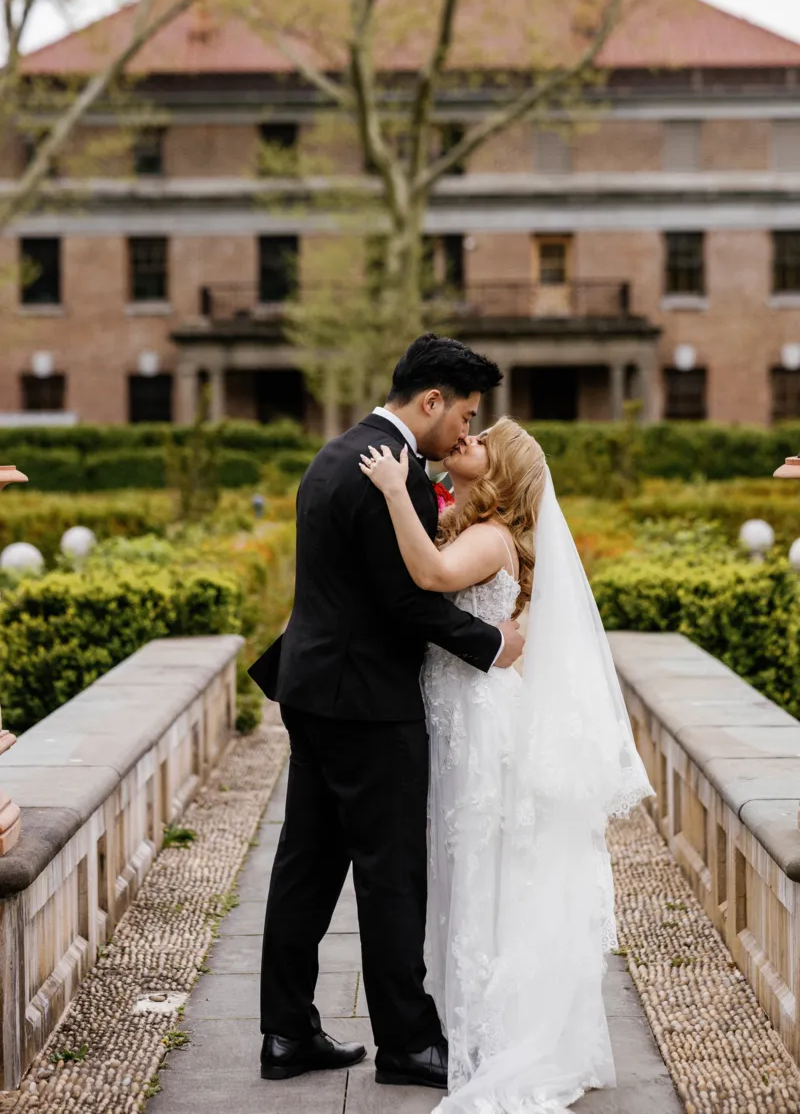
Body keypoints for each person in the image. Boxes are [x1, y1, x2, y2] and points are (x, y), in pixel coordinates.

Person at [248, 335, 526, 1089]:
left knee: (305, 868)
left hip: (314, 690)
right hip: (368, 703)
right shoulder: (389, 469)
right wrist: (490, 641)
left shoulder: (337, 453)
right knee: (392, 875)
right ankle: (407, 1044)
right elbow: (404, 604)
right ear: (430, 400)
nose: (465, 432)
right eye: (463, 414)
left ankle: (286, 1032)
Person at [360, 417, 654, 1113]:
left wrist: (395, 492)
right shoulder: (469, 524)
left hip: (478, 718)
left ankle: (492, 1027)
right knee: (466, 862)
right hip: (454, 706)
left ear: (504, 471)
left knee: (482, 862)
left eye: (483, 439)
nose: (468, 438)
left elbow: (431, 575)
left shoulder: (490, 540)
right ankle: (468, 1017)